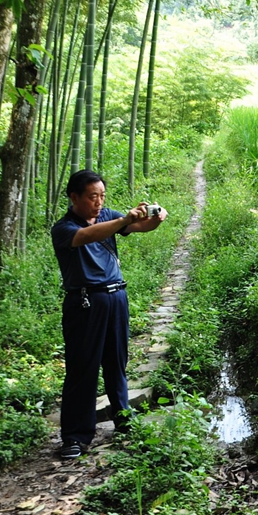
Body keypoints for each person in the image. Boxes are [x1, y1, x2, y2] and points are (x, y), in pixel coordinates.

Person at [51, 169, 167, 459]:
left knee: (117, 361)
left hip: (117, 297)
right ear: (74, 197)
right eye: (93, 197)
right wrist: (124, 220)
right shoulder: (64, 228)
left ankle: (124, 419)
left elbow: (139, 228)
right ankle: (75, 437)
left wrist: (155, 218)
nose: (99, 202)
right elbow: (87, 236)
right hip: (85, 302)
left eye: (102, 196)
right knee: (82, 368)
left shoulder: (108, 216)